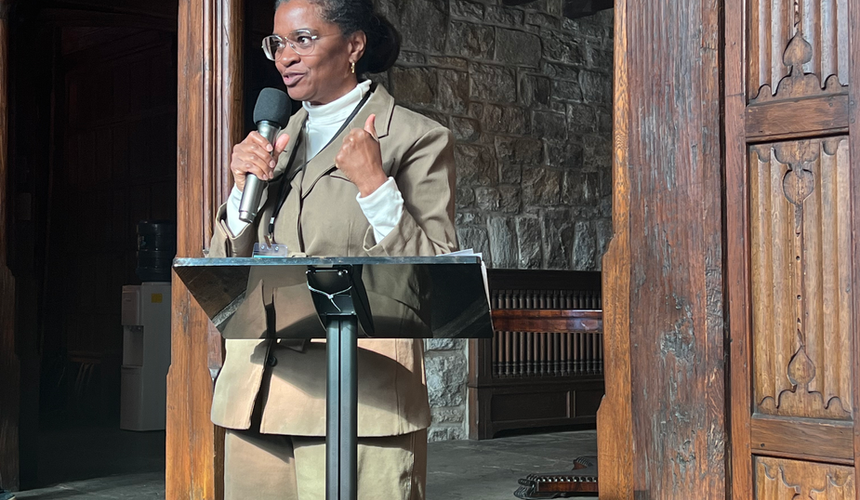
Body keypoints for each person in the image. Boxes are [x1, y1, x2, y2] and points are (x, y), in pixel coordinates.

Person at [206, 0, 457, 498]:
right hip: (257, 394)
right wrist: (241, 190)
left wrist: (375, 186)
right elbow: (223, 271)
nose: (285, 57)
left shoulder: (415, 137)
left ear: (353, 46)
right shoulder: (273, 140)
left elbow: (436, 270)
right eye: (278, 43)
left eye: (303, 39)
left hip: (360, 399)